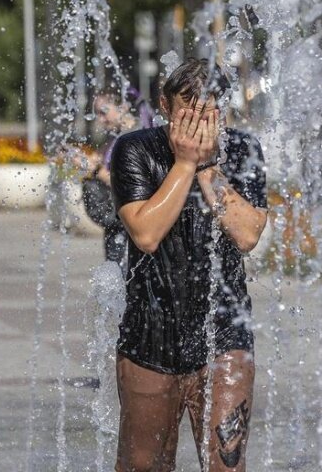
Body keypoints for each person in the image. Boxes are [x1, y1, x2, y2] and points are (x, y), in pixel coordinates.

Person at [110, 58, 268, 471]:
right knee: (144, 465)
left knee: (226, 464)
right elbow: (145, 234)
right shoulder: (135, 149)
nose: (200, 119)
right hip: (151, 333)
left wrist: (206, 168)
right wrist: (184, 163)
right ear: (166, 106)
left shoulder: (243, 150)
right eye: (189, 108)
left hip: (225, 337)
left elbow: (248, 234)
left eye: (210, 108)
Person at [83, 93, 138, 263]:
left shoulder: (136, 136)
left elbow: (129, 183)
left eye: (104, 112)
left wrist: (96, 170)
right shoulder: (115, 136)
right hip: (116, 221)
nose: (100, 119)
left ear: (123, 108)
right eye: (97, 113)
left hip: (129, 224)